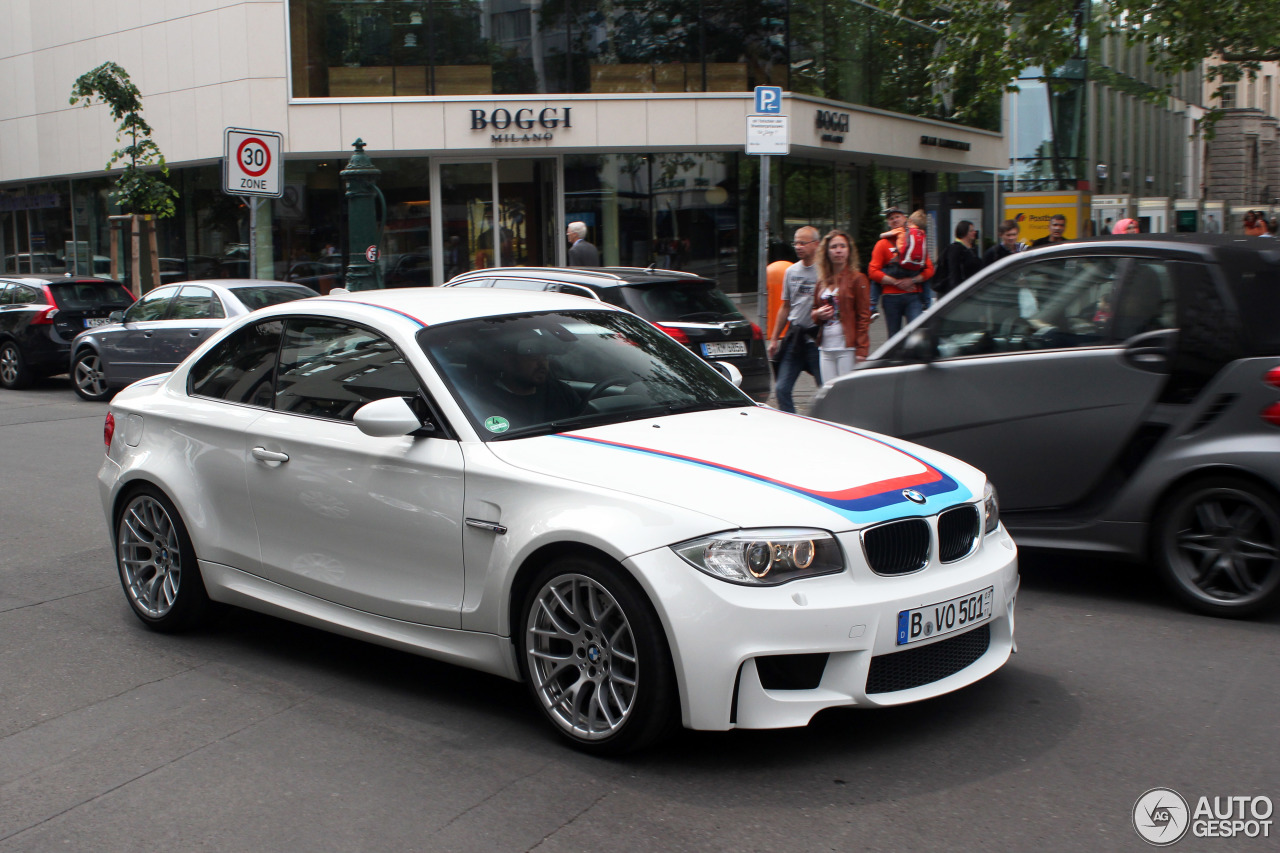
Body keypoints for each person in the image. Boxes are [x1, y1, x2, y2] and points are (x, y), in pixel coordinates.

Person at [475, 334, 582, 430]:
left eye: (544, 357)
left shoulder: (561, 392)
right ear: (508, 362)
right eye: (533, 357)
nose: (542, 364)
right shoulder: (483, 402)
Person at [767, 225, 822, 413]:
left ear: (816, 244)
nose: (798, 246)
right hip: (795, 337)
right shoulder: (791, 272)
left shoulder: (824, 271)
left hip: (818, 339)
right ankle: (792, 422)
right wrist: (774, 338)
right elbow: (785, 306)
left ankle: (829, 424)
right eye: (796, 243)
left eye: (803, 243)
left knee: (826, 388)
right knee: (781, 388)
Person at [809, 230, 870, 384]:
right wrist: (819, 314)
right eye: (834, 247)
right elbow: (813, 312)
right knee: (829, 392)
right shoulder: (822, 281)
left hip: (847, 348)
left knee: (847, 392)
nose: (838, 250)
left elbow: (864, 317)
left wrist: (862, 350)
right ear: (826, 252)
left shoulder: (857, 279)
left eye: (842, 246)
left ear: (849, 251)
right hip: (825, 347)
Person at [869, 207, 934, 336]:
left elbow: (930, 270)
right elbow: (872, 271)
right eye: (891, 218)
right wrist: (896, 282)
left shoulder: (916, 240)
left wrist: (913, 280)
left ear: (905, 219)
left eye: (897, 216)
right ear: (888, 223)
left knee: (916, 334)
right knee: (894, 337)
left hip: (914, 296)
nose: (894, 220)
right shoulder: (882, 244)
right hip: (891, 297)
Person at [933, 220, 982, 298]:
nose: (974, 232)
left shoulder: (971, 249)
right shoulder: (955, 249)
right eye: (971, 231)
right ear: (964, 232)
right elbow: (954, 272)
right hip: (960, 292)